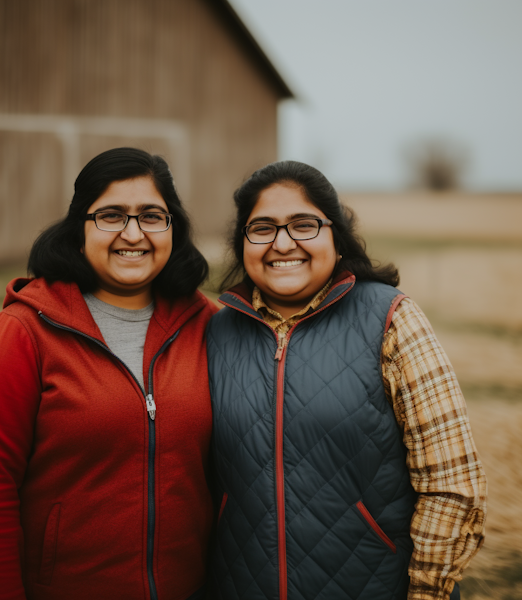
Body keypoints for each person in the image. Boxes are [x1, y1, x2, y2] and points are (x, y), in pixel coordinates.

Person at [206, 161, 486, 600]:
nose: (282, 243)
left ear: (336, 238)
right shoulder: (216, 332)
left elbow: (451, 482)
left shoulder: (391, 319)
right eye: (262, 228)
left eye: (303, 224)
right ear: (243, 242)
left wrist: (427, 592)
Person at [0, 148, 218, 600]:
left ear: (172, 229)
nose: (133, 233)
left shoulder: (207, 324)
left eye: (152, 216)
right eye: (111, 215)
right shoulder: (23, 333)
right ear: (79, 230)